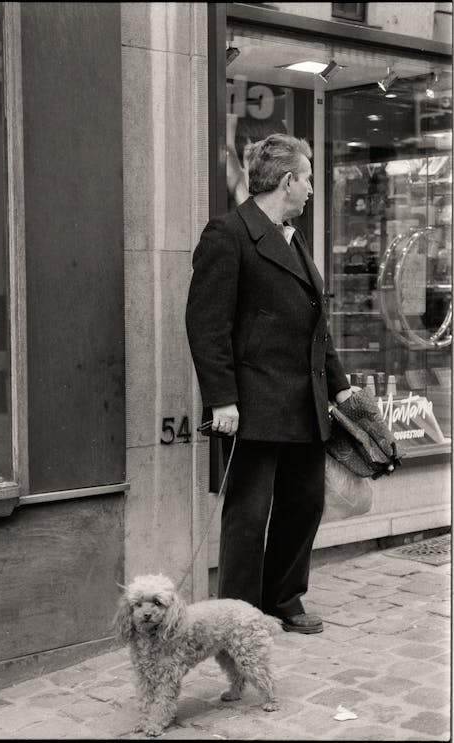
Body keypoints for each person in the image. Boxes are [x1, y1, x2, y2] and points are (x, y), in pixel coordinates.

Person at [185, 133, 354, 634]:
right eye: (306, 179)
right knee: (248, 515)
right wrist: (222, 399)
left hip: (306, 403)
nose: (309, 189)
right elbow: (206, 325)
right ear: (287, 180)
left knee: (305, 504)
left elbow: (314, 324)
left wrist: (340, 386)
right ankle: (238, 617)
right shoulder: (228, 234)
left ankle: (285, 598)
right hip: (253, 407)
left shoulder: (291, 235)